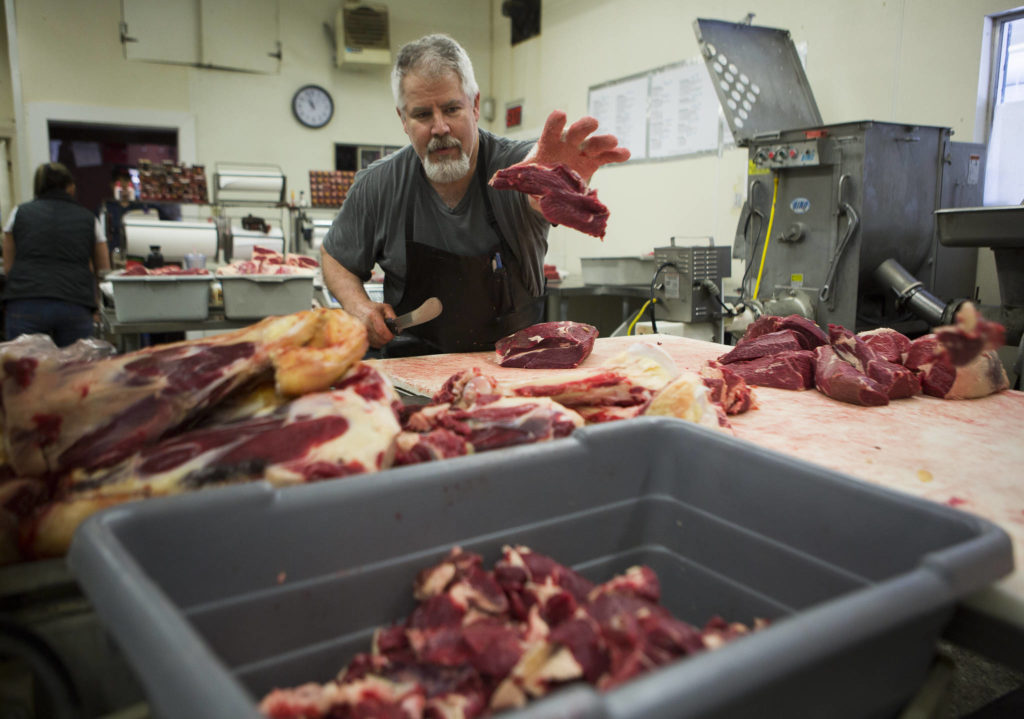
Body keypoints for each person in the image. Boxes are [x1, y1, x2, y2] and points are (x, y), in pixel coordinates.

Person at [320, 33, 629, 356]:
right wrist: (359, 307)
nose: (440, 128)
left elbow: (535, 187)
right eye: (423, 114)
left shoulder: (516, 168)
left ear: (475, 105)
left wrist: (553, 182)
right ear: (403, 119)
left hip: (515, 369)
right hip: (411, 369)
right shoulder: (380, 184)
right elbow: (336, 258)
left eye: (452, 109)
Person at [2, 162, 111, 347]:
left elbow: (8, 267)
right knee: (74, 371)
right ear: (70, 187)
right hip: (74, 303)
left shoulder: (18, 213)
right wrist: (98, 307)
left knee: (27, 371)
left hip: (26, 302)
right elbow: (103, 270)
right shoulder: (89, 218)